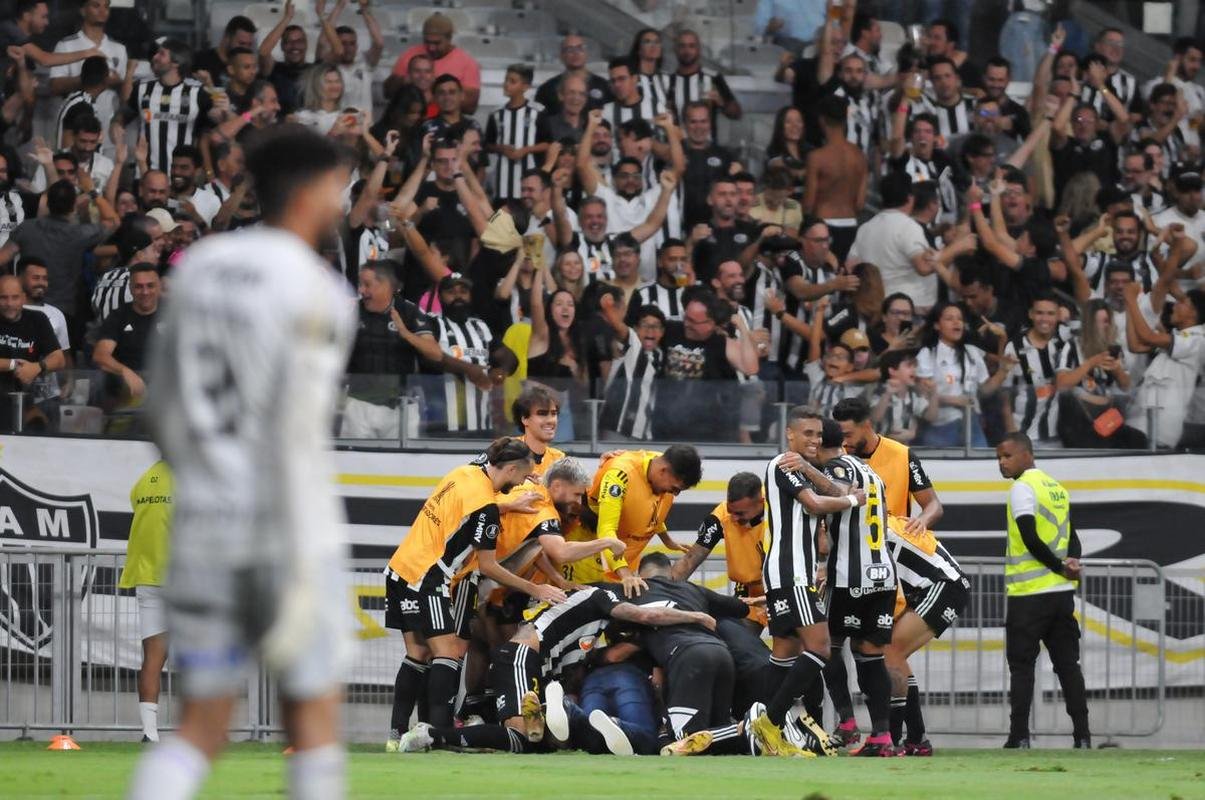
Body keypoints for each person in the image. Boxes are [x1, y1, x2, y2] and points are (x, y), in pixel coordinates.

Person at [127, 124, 356, 799]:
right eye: (338, 188)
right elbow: (294, 427)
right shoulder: (320, 293)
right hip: (285, 528)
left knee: (200, 725)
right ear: (313, 190)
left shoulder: (197, 268)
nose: (341, 203)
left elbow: (161, 406)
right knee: (312, 718)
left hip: (201, 526)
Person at [383, 440, 566, 744]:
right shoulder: (487, 509)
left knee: (417, 654)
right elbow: (489, 567)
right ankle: (438, 735)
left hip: (400, 568)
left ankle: (396, 734)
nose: (523, 482)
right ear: (510, 468)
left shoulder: (464, 473)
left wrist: (508, 501)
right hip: (427, 576)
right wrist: (535, 587)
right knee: (449, 653)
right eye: (522, 476)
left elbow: (475, 498)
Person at [752, 409, 865, 758]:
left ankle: (766, 728)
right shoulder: (784, 464)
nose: (815, 440)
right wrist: (851, 500)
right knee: (819, 646)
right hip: (793, 572)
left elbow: (830, 486)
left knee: (784, 653)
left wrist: (811, 468)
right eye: (807, 434)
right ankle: (769, 722)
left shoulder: (798, 467)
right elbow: (820, 501)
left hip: (784, 572)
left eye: (818, 434)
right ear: (790, 434)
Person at [996, 432, 1091, 749]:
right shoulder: (1056, 488)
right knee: (1068, 666)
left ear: (1027, 454)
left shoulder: (1022, 488)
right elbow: (1072, 536)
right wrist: (1071, 564)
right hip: (1061, 595)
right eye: (999, 457)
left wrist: (1058, 566)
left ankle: (1019, 737)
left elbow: (1029, 538)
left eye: (1007, 456)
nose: (1002, 463)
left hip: (1029, 595)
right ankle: (1083, 737)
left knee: (1022, 668)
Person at [571, 445, 702, 592]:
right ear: (663, 471)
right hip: (590, 565)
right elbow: (606, 530)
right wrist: (625, 574)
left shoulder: (659, 463)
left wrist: (667, 540)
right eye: (675, 488)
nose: (675, 494)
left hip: (623, 569)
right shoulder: (619, 475)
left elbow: (651, 511)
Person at [342, 261, 442, 439]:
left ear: (385, 285)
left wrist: (406, 334)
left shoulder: (409, 311)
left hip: (401, 407)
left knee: (404, 465)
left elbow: (435, 353)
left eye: (367, 284)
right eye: (360, 284)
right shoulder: (350, 312)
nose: (361, 290)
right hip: (359, 404)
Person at [117, 460, 173, 743]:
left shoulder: (145, 478)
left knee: (152, 659)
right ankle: (202, 731)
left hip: (147, 578)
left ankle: (149, 734)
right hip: (183, 577)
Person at [670, 472, 769, 631]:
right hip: (748, 589)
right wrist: (664, 588)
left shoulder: (780, 511)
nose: (734, 518)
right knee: (738, 641)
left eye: (740, 513)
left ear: (761, 502)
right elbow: (690, 558)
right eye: (731, 511)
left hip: (783, 587)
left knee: (791, 646)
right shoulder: (721, 516)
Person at [848, 173, 936, 314]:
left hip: (878, 309)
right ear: (910, 198)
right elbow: (924, 267)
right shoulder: (908, 226)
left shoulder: (865, 228)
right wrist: (957, 248)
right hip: (909, 309)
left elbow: (851, 267)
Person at [127, 40, 218, 173]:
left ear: (176, 63)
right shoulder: (142, 89)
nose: (155, 57)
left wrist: (210, 86)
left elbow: (220, 114)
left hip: (182, 176)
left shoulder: (197, 93)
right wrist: (116, 124)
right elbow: (124, 112)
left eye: (161, 54)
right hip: (145, 174)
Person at [804, 95, 867, 263]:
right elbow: (860, 203)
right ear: (845, 118)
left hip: (823, 226)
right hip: (851, 225)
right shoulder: (859, 156)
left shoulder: (816, 157)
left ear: (822, 120)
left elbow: (809, 203)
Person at [0, 275, 66, 431]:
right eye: (3, 298)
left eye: (15, 298)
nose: (9, 303)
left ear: (23, 298)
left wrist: (38, 367)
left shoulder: (38, 319)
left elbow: (59, 359)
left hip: (25, 400)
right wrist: (14, 365)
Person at [92, 263, 161, 407]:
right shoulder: (119, 315)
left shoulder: (172, 314)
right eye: (138, 286)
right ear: (130, 288)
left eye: (150, 286)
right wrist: (125, 372)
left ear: (159, 286)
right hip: (125, 395)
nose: (145, 292)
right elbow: (100, 356)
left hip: (164, 395)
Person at [385, 12, 481, 113]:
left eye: (437, 43)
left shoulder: (467, 62)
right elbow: (387, 93)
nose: (431, 47)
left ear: (449, 39)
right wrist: (405, 81)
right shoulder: (409, 54)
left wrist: (435, 91)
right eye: (427, 42)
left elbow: (471, 108)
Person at [485, 64, 545, 202]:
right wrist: (501, 148)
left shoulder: (538, 112)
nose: (506, 84)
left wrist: (525, 150)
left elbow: (547, 143)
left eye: (512, 81)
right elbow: (487, 144)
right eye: (506, 80)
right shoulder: (496, 113)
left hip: (529, 178)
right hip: (502, 182)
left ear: (525, 86)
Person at [48, 0, 127, 96]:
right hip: (78, 110)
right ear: (83, 10)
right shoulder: (65, 45)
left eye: (106, 6)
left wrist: (118, 83)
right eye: (96, 6)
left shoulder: (119, 49)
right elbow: (55, 86)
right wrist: (90, 79)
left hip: (109, 111)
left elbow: (125, 90)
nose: (102, 10)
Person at [667, 29, 741, 124]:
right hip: (675, 138)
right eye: (682, 46)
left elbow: (736, 114)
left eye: (691, 46)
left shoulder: (714, 78)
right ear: (675, 50)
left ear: (699, 49)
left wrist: (721, 102)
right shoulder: (668, 80)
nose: (687, 50)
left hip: (707, 138)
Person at [534, 34, 611, 114]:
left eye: (580, 48)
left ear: (586, 53)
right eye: (569, 49)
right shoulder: (547, 89)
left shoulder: (603, 85)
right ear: (562, 56)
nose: (575, 53)